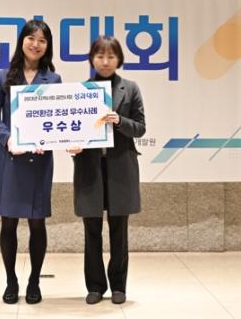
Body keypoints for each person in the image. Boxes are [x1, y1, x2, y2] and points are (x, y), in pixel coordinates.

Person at [0, 19, 61, 305]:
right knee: (8, 222)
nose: (36, 44)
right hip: (10, 159)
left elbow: (58, 119)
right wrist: (8, 139)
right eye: (31, 38)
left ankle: (34, 281)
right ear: (22, 41)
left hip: (40, 160)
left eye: (42, 40)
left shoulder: (53, 80)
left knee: (37, 223)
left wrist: (54, 140)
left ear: (47, 46)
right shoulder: (4, 75)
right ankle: (11, 281)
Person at [68, 36, 146, 305]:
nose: (105, 61)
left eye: (111, 56)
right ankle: (95, 286)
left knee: (119, 231)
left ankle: (119, 286)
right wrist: (72, 144)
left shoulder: (130, 88)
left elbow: (140, 128)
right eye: (100, 56)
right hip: (89, 168)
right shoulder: (81, 90)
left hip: (120, 168)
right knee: (91, 230)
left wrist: (120, 120)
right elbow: (72, 127)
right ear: (92, 59)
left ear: (119, 59)